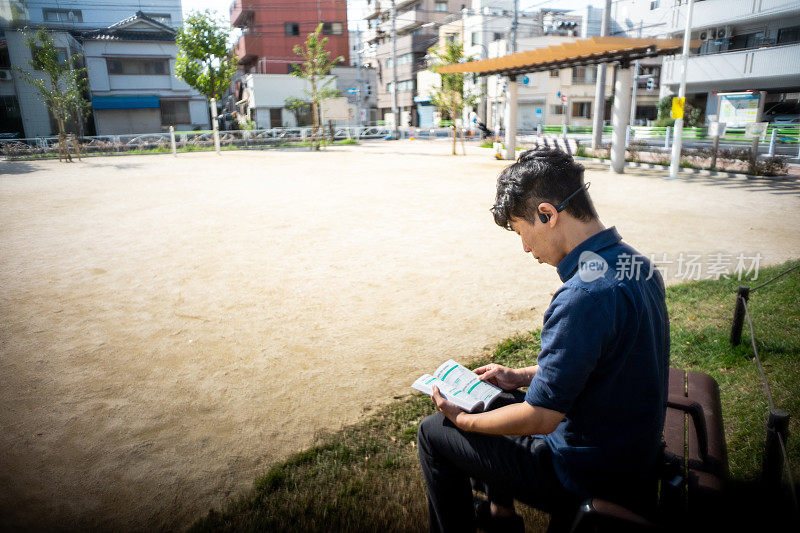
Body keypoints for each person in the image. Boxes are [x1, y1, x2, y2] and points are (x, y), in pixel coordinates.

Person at [417, 147, 670, 533]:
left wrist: (464, 421)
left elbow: (541, 418)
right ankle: (501, 515)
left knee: (435, 433)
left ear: (548, 214)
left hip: (584, 470)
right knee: (498, 399)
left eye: (522, 232)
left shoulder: (583, 296)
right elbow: (602, 359)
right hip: (629, 451)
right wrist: (518, 376)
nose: (525, 248)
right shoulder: (635, 263)